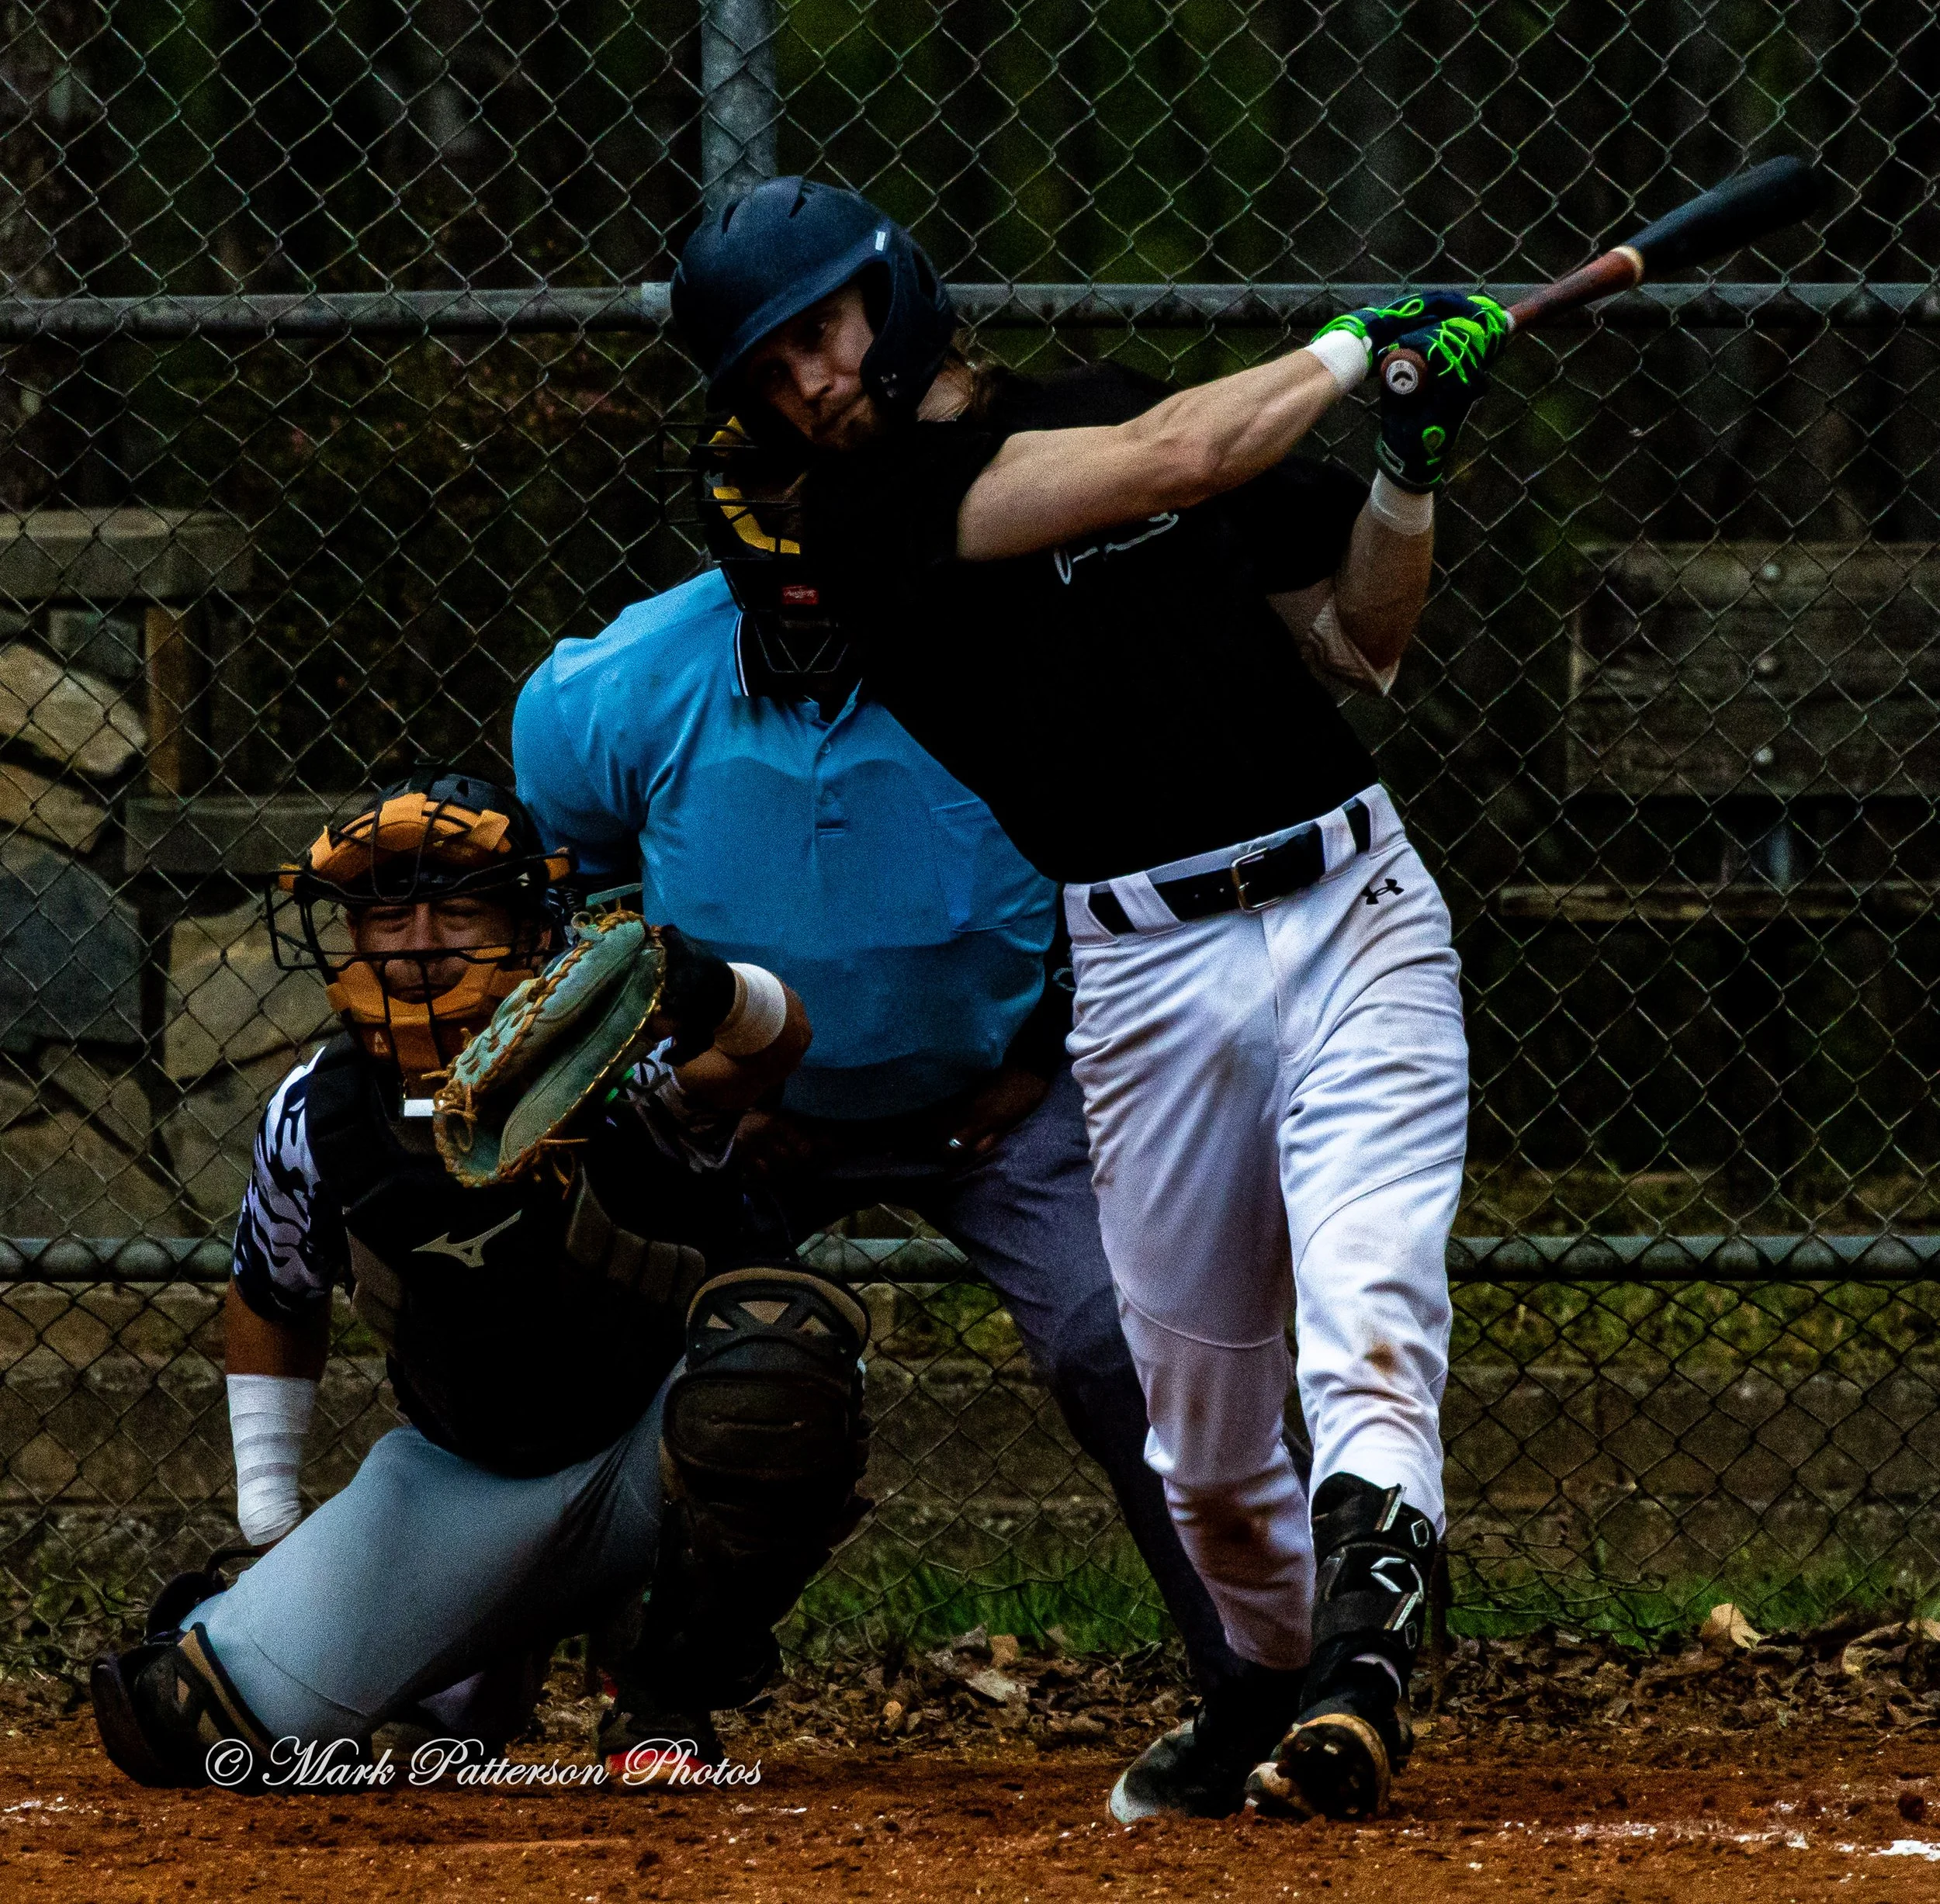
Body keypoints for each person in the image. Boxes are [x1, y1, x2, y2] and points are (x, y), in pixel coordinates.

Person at [667, 177, 1509, 1823]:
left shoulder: (1112, 398)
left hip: (1353, 908)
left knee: (1368, 1305)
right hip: (1142, 968)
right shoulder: (870, 521)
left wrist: (1407, 465)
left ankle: (1359, 1669)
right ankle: (1268, 1675)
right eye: (767, 375)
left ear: (888, 290)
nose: (808, 387)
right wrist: (1356, 344)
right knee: (1197, 1436)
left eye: (818, 338)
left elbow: (1354, 634)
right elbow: (1176, 462)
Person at [512, 488, 1251, 1814]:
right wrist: (704, 1079)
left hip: (1000, 1101)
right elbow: (582, 895)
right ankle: (663, 1682)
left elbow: (1146, 868)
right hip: (747, 1112)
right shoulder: (628, 679)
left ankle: (1264, 1677)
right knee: (744, 1373)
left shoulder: (1037, 653)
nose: (814, 610)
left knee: (1130, 1339)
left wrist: (1041, 1047)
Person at [89, 769, 866, 1788]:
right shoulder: (311, 1116)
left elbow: (774, 1047)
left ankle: (663, 1681)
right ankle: (474, 1652)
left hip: (654, 1448)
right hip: (468, 1478)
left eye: (456, 909)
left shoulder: (609, 1059)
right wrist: (273, 1519)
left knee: (779, 1362)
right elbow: (273, 1294)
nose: (418, 942)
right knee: (182, 1724)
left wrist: (705, 985)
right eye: (386, 913)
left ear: (529, 925)